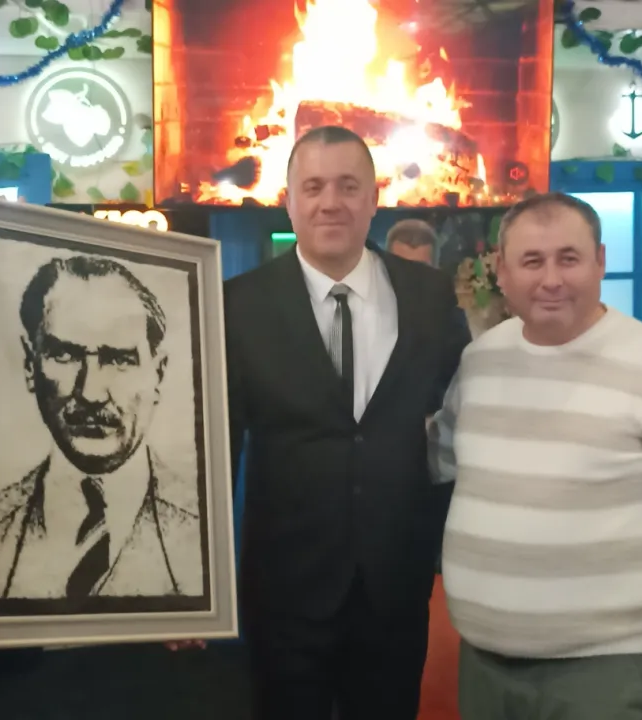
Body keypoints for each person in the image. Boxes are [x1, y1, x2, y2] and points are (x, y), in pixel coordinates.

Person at [429, 192, 642, 720]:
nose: (551, 279)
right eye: (532, 261)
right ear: (502, 271)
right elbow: (439, 460)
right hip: (484, 663)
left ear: (600, 261)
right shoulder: (482, 359)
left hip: (610, 670)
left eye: (569, 258)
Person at [220, 125, 470, 718]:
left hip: (396, 583)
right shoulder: (236, 304)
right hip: (283, 586)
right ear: (288, 201)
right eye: (313, 187)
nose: (330, 202)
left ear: (373, 198)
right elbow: (214, 446)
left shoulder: (429, 295)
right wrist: (193, 582)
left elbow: (464, 414)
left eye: (348, 186)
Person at [0, 255, 204, 601]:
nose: (90, 393)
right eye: (65, 355)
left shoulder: (203, 525)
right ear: (31, 365)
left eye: (119, 359)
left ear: (158, 373)